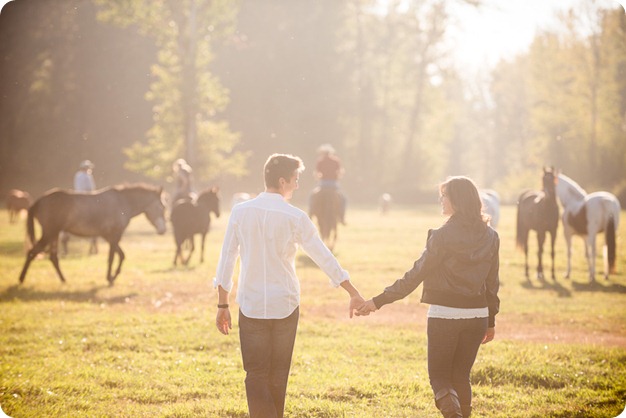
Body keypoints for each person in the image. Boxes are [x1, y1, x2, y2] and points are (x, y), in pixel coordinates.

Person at [214, 153, 364, 418]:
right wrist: (351, 291)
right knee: (278, 374)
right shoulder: (295, 217)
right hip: (285, 304)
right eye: (295, 180)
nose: (297, 185)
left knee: (255, 373)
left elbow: (227, 258)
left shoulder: (240, 212)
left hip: (251, 304)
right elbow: (323, 255)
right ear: (282, 181)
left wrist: (222, 303)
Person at [356, 176, 500, 418]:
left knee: (440, 378)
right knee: (461, 377)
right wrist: (491, 321)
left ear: (456, 200)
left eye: (444, 196)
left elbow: (415, 275)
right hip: (477, 316)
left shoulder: (441, 235)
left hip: (445, 315)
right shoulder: (491, 236)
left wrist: (377, 301)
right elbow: (492, 283)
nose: (440, 200)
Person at [62, 160, 97, 254]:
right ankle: (94, 247)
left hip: (77, 197)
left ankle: (65, 248)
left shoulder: (77, 175)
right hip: (86, 198)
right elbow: (90, 189)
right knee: (96, 218)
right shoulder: (88, 176)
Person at [310, 144, 346, 224]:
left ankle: (311, 214)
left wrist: (318, 178)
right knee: (343, 199)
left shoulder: (320, 161)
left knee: (312, 197)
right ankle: (342, 217)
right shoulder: (336, 160)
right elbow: (340, 172)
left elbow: (316, 173)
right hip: (333, 184)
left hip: (323, 184)